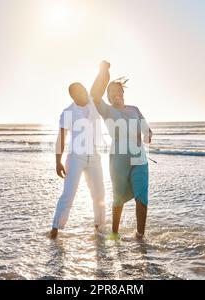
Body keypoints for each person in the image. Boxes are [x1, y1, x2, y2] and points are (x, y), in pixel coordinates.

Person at [90, 61, 153, 240]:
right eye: (112, 93)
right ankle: (114, 233)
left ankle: (140, 235)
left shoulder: (135, 109)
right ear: (108, 97)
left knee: (142, 196)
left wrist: (148, 133)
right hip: (118, 160)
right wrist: (103, 73)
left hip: (139, 157)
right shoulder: (107, 110)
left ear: (123, 93)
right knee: (118, 198)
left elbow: (146, 129)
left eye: (119, 91)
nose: (116, 94)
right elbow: (94, 95)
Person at [50, 80, 106, 239]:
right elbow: (61, 137)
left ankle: (99, 227)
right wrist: (57, 161)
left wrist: (104, 70)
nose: (83, 93)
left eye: (83, 89)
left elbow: (100, 84)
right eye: (79, 92)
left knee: (99, 193)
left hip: (94, 156)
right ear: (73, 96)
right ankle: (55, 229)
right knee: (68, 193)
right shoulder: (68, 112)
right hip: (76, 157)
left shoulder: (93, 103)